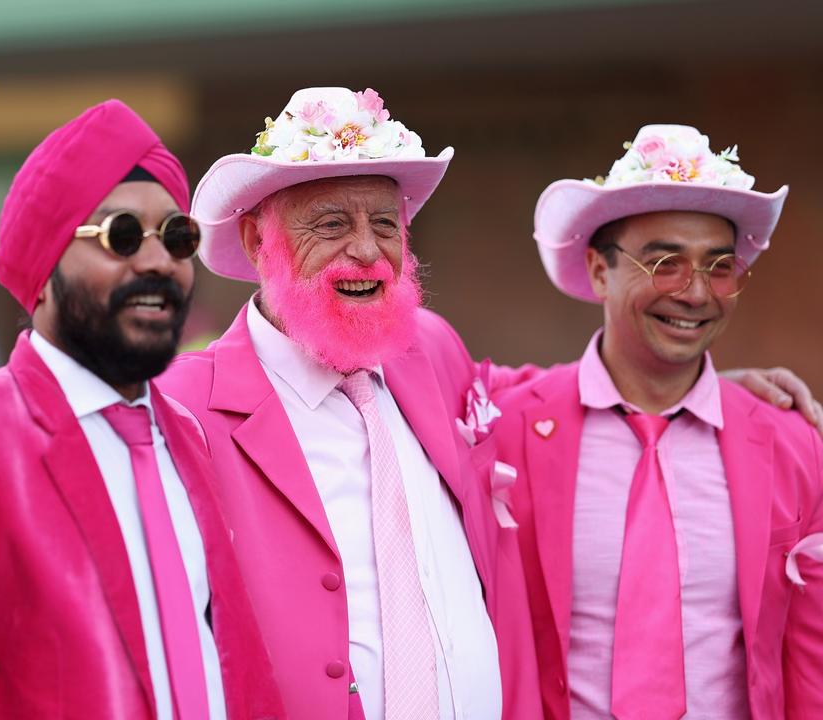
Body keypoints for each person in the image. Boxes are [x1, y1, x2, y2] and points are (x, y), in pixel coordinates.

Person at [158, 88, 818, 720]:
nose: (365, 249)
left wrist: (705, 385)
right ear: (255, 242)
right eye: (331, 224)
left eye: (385, 223)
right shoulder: (186, 407)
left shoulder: (427, 352)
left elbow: (540, 392)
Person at [0, 100, 283, 720]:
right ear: (43, 270)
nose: (156, 262)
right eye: (120, 235)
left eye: (175, 237)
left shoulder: (189, 435)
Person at [493, 124, 823, 719]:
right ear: (599, 272)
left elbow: (811, 654)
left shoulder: (791, 441)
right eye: (664, 262)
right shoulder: (507, 432)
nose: (695, 292)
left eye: (719, 266)